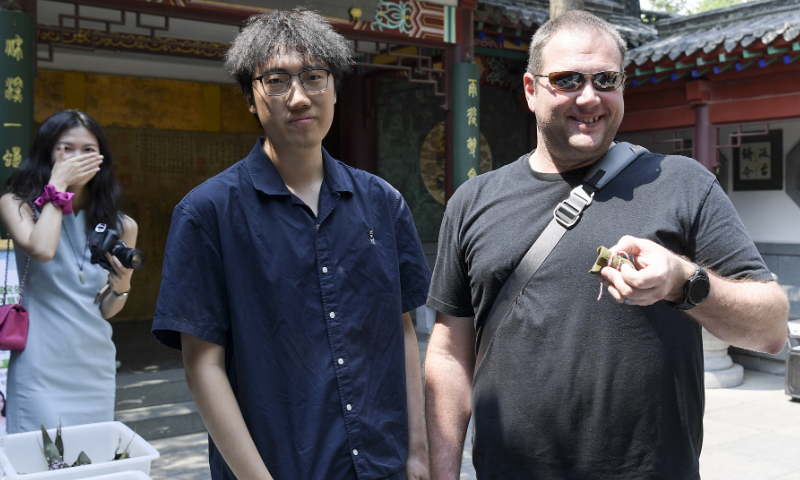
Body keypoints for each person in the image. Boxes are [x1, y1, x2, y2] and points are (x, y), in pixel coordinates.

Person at [424, 10, 788, 480]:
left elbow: (772, 327)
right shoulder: (474, 200)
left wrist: (684, 281)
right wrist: (442, 469)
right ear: (531, 91)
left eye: (605, 79)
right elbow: (451, 351)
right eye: (568, 80)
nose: (589, 96)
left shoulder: (683, 183)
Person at [151, 9, 431, 480]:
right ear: (250, 97)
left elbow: (401, 330)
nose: (299, 98)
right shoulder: (207, 213)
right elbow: (203, 366)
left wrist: (418, 453)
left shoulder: (382, 202)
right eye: (276, 81)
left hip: (383, 465)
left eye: (315, 77)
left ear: (335, 88)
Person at [0, 109, 138, 434]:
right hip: (38, 365)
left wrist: (124, 282)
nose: (77, 157)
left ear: (101, 157)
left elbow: (106, 310)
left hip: (94, 364)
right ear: (47, 153)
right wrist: (58, 185)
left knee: (91, 461)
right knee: (38, 462)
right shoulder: (17, 204)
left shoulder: (122, 226)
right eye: (66, 148)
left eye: (88, 150)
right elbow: (42, 249)